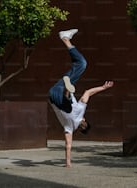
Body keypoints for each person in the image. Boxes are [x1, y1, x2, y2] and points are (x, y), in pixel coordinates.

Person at [48, 29, 114, 168]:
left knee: (69, 103)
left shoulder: (81, 111)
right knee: (81, 64)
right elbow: (68, 145)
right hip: (54, 94)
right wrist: (68, 162)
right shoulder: (70, 128)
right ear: (81, 128)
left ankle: (68, 90)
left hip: (60, 97)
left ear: (84, 120)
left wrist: (103, 88)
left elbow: (88, 92)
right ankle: (66, 39)